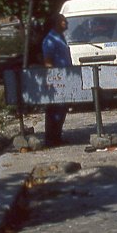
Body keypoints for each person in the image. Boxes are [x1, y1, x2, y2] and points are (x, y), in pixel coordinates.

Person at [41, 13, 72, 146]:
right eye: (63, 21)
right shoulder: (50, 39)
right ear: (56, 23)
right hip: (56, 79)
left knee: (63, 108)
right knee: (54, 109)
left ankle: (57, 136)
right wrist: (52, 79)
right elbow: (48, 61)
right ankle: (51, 138)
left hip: (65, 78)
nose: (66, 23)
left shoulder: (61, 37)